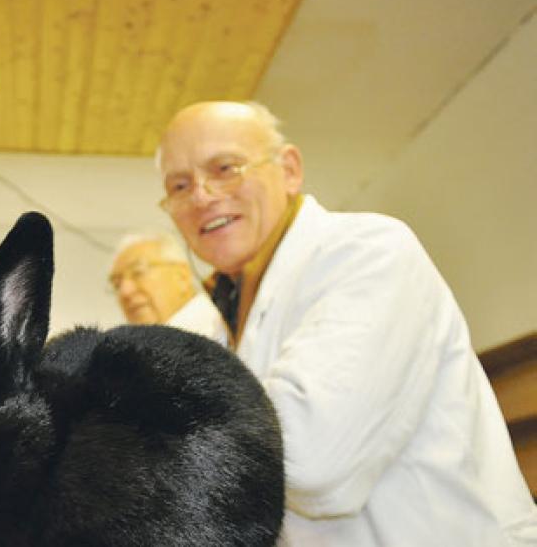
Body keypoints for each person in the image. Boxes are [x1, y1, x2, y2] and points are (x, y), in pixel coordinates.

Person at [155, 100, 537, 545]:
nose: (201, 196)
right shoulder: (215, 318)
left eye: (225, 167)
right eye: (179, 185)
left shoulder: (369, 253)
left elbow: (313, 462)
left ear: (289, 169)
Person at [108, 232, 218, 337]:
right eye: (117, 284)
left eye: (138, 272)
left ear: (182, 277)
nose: (125, 292)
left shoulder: (219, 329)